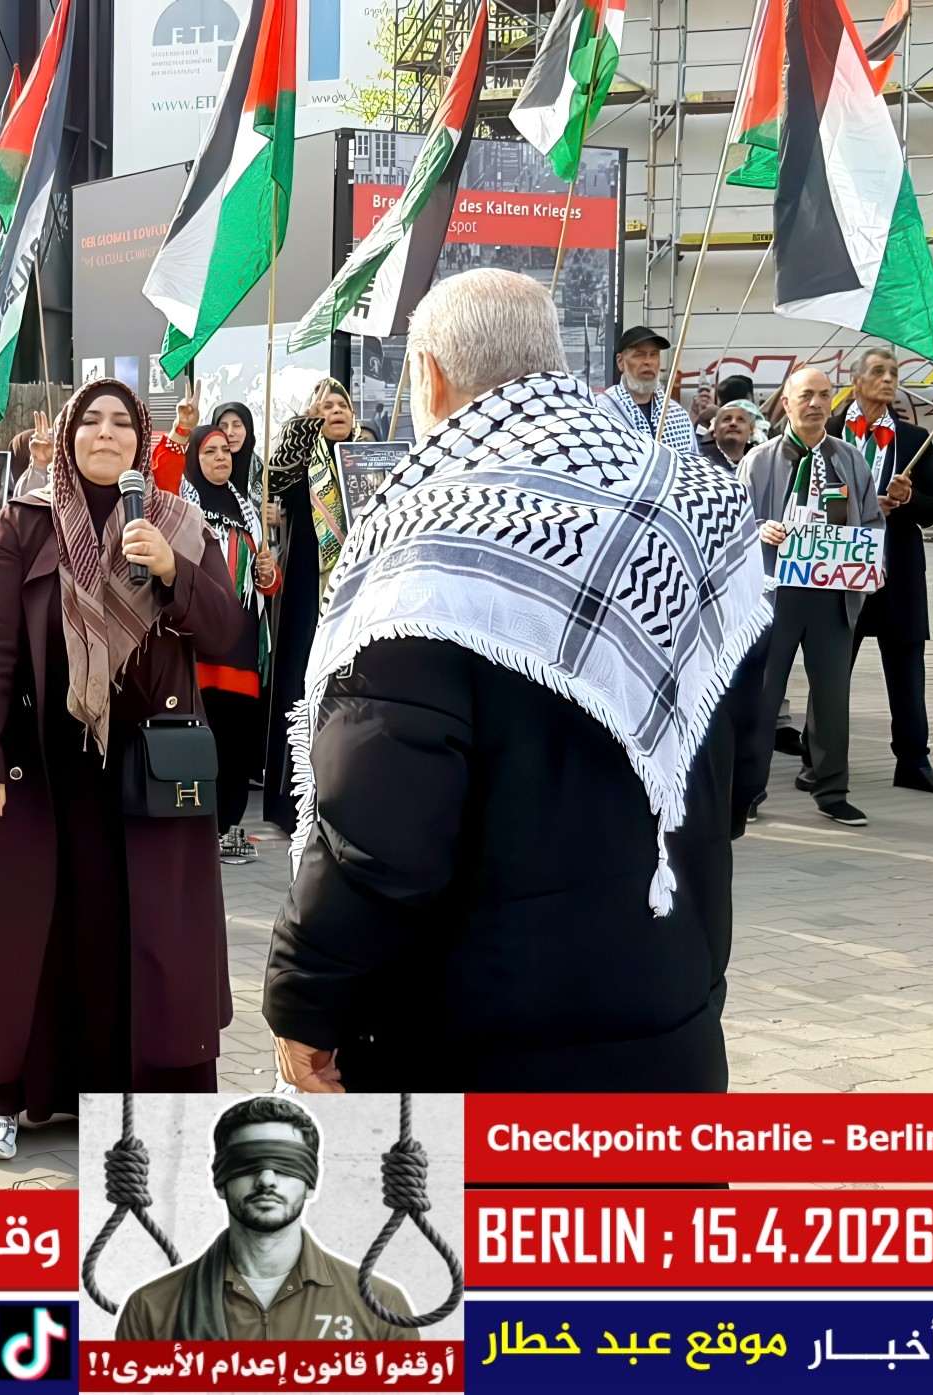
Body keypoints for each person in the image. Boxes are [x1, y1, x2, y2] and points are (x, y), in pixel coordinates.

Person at [264, 269, 773, 1093]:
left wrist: (305, 996)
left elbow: (382, 831)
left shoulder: (431, 538)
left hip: (474, 1049)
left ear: (428, 375)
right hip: (670, 1002)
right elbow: (739, 767)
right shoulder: (691, 503)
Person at [0, 378, 241, 1159]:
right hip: (41, 766)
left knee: (148, 931)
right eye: (91, 421)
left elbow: (226, 632)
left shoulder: (177, 522)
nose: (105, 434)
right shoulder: (21, 521)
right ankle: (0, 1098)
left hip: (152, 767)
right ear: (70, 435)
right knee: (29, 932)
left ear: (141, 439)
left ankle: (158, 1100)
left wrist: (175, 573)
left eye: (121, 423)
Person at [114, 1097, 418, 1340]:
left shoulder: (382, 1306)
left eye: (286, 1165)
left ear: (311, 1182)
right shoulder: (150, 1309)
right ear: (220, 1181)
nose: (266, 1180)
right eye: (247, 1163)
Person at [741, 365, 884, 826]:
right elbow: (734, 523)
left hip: (832, 594)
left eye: (824, 395)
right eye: (806, 395)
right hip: (774, 594)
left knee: (831, 697)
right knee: (763, 695)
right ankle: (745, 792)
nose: (816, 404)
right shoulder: (759, 460)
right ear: (786, 403)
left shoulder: (849, 460)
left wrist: (872, 560)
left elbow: (872, 522)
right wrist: (759, 529)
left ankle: (831, 791)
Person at [823, 348, 933, 796]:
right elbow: (810, 500)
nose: (888, 379)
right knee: (831, 667)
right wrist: (859, 509)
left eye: (894, 373)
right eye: (878, 372)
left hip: (897, 571)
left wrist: (907, 499)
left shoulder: (914, 437)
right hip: (841, 568)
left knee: (907, 668)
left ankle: (914, 761)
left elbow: (932, 511)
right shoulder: (828, 433)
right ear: (856, 380)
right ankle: (819, 757)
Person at [153, 395, 278, 864]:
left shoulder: (249, 510)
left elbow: (266, 585)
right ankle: (195, 827)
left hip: (242, 642)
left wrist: (268, 572)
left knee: (236, 740)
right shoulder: (179, 503)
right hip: (196, 641)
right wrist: (182, 429)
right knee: (198, 737)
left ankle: (229, 827)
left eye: (226, 450)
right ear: (195, 458)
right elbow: (160, 475)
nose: (221, 457)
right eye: (210, 451)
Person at [260, 378, 360, 831]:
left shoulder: (367, 461)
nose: (336, 410)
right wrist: (306, 422)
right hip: (305, 590)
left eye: (342, 405)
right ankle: (291, 803)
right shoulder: (300, 462)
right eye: (326, 406)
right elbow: (274, 474)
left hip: (353, 593)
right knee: (300, 686)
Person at [594, 325, 701, 457]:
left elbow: (693, 462)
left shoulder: (678, 415)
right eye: (639, 355)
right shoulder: (600, 411)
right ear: (620, 362)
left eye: (654, 355)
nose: (648, 362)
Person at [708, 401, 761, 468]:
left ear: (751, 429)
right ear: (715, 430)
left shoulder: (760, 465)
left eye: (740, 419)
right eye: (727, 419)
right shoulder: (700, 458)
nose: (733, 423)